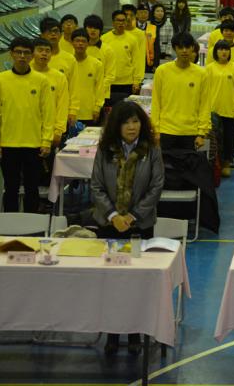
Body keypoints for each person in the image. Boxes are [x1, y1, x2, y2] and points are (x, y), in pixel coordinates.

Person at [90, 100, 164, 356]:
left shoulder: (151, 150)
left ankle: (135, 333)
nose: (132, 127)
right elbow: (96, 185)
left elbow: (156, 186)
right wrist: (113, 216)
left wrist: (132, 216)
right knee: (112, 281)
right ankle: (112, 333)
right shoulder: (105, 150)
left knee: (136, 281)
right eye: (126, 122)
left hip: (139, 227)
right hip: (109, 227)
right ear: (116, 126)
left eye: (136, 122)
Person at [0, 37, 53, 212]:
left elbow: (48, 112)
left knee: (32, 188)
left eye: (26, 53)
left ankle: (33, 225)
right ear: (11, 54)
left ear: (31, 56)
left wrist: (46, 140)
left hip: (34, 144)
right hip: (8, 143)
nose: (22, 56)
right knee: (11, 188)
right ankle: (9, 225)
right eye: (18, 52)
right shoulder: (2, 79)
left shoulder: (41, 80)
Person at [151, 32, 211, 151]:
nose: (184, 51)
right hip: (166, 131)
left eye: (187, 47)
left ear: (193, 48)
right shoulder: (162, 71)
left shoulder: (202, 74)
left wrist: (201, 133)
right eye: (180, 47)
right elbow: (156, 102)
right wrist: (156, 130)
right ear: (174, 49)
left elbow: (205, 105)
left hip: (191, 132)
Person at [206, 40, 234, 177]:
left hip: (229, 111)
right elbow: (204, 90)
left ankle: (227, 163)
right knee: (213, 139)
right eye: (221, 49)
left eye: (226, 49)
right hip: (212, 111)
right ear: (215, 51)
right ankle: (213, 164)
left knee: (229, 139)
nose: (224, 52)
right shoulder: (209, 68)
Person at [31, 38, 72, 152]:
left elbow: (62, 104)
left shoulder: (59, 77)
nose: (44, 53)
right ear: (32, 53)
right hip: (28, 132)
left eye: (47, 51)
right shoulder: (25, 75)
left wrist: (59, 130)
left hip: (50, 132)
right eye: (40, 50)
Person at [39, 17, 78, 128]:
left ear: (61, 34)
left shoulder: (69, 59)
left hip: (60, 112)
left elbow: (74, 88)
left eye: (56, 31)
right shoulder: (33, 59)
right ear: (42, 35)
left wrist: (73, 110)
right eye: (49, 31)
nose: (53, 34)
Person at [207, 21, 234, 110]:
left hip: (233, 97)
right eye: (226, 30)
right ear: (222, 32)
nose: (229, 33)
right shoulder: (212, 51)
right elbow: (207, 75)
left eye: (231, 31)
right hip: (214, 97)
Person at [102, 10, 143, 100]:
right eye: (118, 20)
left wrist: (136, 81)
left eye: (123, 20)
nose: (121, 23)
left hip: (127, 83)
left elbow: (136, 62)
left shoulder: (132, 39)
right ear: (113, 22)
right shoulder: (104, 39)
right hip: (108, 82)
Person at [71, 29, 105, 127]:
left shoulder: (97, 64)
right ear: (72, 42)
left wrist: (97, 108)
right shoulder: (68, 63)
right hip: (70, 112)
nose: (80, 44)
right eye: (77, 41)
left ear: (88, 43)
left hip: (90, 112)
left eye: (83, 41)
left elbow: (100, 88)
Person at [84, 14, 116, 109]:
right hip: (82, 92)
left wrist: (97, 88)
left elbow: (110, 76)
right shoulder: (80, 48)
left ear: (100, 30)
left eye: (96, 28)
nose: (93, 30)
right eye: (90, 27)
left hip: (102, 94)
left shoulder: (108, 50)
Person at [122, 4, 148, 81]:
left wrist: (139, 78)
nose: (128, 18)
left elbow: (140, 58)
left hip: (132, 78)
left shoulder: (140, 34)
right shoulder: (111, 35)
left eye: (131, 15)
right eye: (126, 15)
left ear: (136, 16)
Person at [135, 4, 158, 72]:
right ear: (136, 15)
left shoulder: (153, 28)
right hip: (134, 61)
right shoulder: (132, 27)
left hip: (148, 62)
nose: (143, 15)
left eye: (145, 13)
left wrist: (155, 64)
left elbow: (156, 47)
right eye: (141, 12)